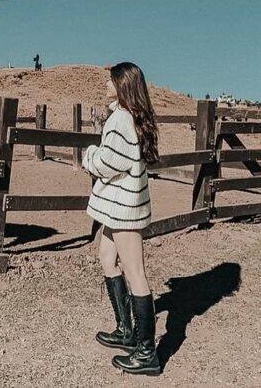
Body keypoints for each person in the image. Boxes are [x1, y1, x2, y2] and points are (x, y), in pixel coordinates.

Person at [81, 62, 161, 376]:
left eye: (110, 81)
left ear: (122, 86)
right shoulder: (127, 118)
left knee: (135, 272)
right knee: (106, 255)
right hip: (120, 207)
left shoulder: (121, 121)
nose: (105, 84)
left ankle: (146, 353)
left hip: (124, 208)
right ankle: (126, 330)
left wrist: (88, 155)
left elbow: (107, 163)